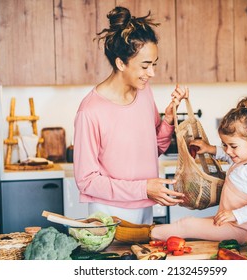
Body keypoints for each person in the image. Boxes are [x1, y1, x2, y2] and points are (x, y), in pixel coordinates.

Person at [73, 6, 188, 225]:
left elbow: (153, 149)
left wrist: (169, 120)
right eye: (145, 66)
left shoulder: (144, 93)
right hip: (109, 214)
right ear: (121, 63)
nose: (151, 73)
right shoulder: (89, 111)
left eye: (153, 64)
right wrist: (144, 188)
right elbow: (86, 181)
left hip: (145, 206)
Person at [114, 96, 247, 245]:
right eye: (225, 145)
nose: (228, 151)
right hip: (229, 223)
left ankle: (136, 235)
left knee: (187, 224)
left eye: (233, 146)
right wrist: (209, 148)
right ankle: (138, 230)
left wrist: (235, 215)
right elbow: (226, 156)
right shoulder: (243, 160)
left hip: (239, 230)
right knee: (185, 224)